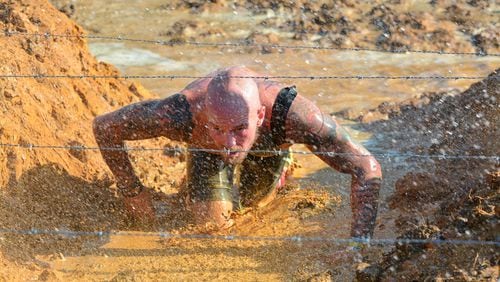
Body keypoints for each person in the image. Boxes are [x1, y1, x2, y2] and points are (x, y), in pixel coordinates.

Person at [93, 66, 382, 239]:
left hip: (268, 144)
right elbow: (105, 127)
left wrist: (358, 245)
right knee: (212, 232)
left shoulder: (295, 117)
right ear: (204, 114)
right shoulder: (179, 114)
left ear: (258, 116)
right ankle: (201, 179)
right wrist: (133, 192)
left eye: (238, 129)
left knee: (257, 207)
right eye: (218, 127)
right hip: (207, 150)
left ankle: (283, 162)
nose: (229, 142)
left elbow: (367, 167)